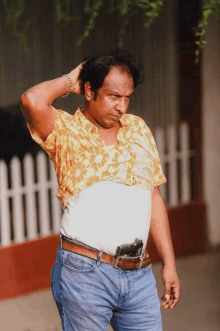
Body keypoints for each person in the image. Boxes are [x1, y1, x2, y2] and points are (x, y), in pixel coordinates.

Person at [20, 49, 180, 331]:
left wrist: (169, 263)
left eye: (127, 97)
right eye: (113, 96)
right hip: (85, 273)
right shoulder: (66, 131)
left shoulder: (138, 129)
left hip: (139, 274)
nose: (121, 107)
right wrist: (72, 79)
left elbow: (152, 195)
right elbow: (31, 100)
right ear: (90, 91)